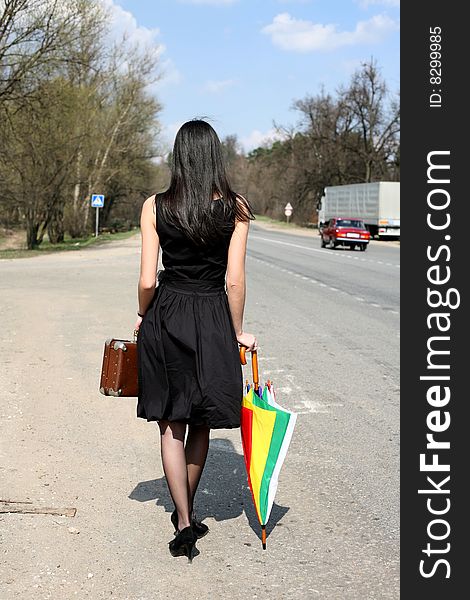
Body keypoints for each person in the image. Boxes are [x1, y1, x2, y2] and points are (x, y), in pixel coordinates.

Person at [134, 119, 257, 562]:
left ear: (178, 156)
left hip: (167, 314)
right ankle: (190, 513)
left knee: (171, 422)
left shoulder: (155, 206)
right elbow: (235, 280)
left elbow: (148, 279)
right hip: (210, 315)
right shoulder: (236, 207)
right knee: (201, 420)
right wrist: (236, 330)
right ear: (214, 156)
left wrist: (143, 315)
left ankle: (183, 520)